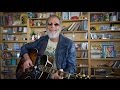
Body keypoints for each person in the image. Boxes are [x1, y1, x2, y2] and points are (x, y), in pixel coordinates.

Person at [19, 15, 76, 79]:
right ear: (46, 27)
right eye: (50, 24)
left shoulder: (69, 44)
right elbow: (24, 47)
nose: (52, 26)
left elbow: (72, 67)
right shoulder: (42, 40)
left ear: (60, 27)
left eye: (56, 24)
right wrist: (27, 59)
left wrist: (62, 74)